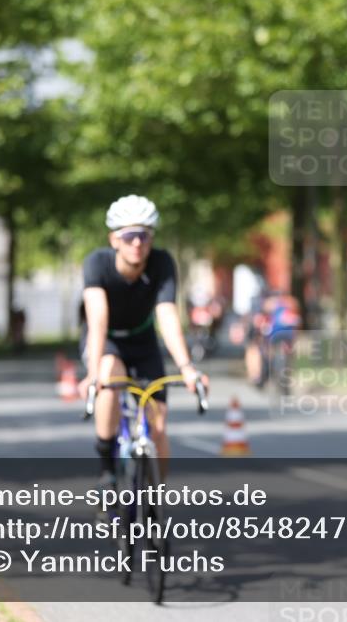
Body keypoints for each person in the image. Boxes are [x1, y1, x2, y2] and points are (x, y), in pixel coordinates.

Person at [78, 195, 208, 485]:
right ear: (115, 240)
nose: (138, 243)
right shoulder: (97, 264)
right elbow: (97, 319)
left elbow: (167, 315)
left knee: (158, 426)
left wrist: (186, 367)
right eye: (129, 236)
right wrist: (92, 374)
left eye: (145, 236)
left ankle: (155, 502)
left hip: (143, 341)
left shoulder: (161, 263)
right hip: (107, 340)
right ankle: (107, 468)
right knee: (110, 376)